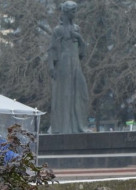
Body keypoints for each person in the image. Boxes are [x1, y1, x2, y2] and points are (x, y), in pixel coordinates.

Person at [48, 0, 89, 134]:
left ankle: (79, 125)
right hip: (63, 65)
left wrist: (79, 38)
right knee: (64, 96)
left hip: (75, 64)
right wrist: (51, 67)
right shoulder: (58, 30)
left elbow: (82, 52)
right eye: (73, 11)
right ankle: (63, 127)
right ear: (66, 12)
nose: (75, 14)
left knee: (81, 93)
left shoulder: (77, 28)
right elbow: (52, 49)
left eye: (75, 11)